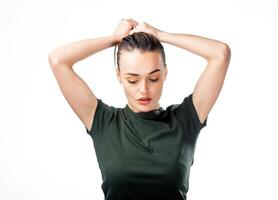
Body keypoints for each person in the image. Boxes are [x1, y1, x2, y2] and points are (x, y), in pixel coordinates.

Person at [48, 18, 231, 200]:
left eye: (153, 78)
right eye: (132, 80)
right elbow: (58, 60)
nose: (143, 90)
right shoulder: (103, 122)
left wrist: (161, 35)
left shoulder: (186, 120)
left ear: (165, 73)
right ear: (119, 75)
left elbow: (220, 54)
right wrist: (114, 39)